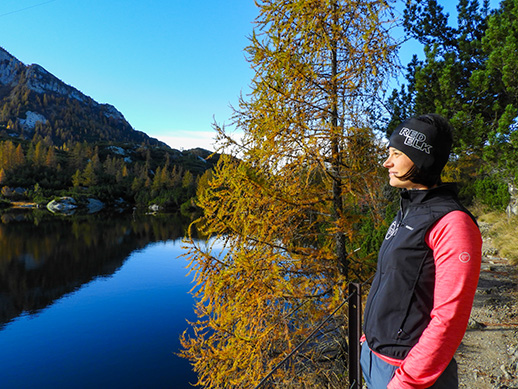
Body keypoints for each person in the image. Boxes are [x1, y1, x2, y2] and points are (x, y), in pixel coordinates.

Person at [360, 114, 482, 388]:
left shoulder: (453, 223)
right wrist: (367, 339)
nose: (386, 162)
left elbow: (450, 317)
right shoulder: (409, 210)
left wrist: (407, 381)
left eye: (396, 154)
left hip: (408, 373)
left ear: (422, 159)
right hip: (375, 359)